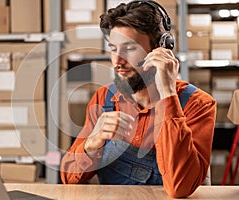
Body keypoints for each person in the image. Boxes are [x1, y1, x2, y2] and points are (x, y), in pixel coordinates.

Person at [60, 0, 216, 198]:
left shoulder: (197, 104)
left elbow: (180, 187)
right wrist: (91, 143)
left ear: (160, 49)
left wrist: (167, 92)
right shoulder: (104, 99)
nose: (117, 61)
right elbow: (68, 176)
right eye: (114, 49)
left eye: (130, 48)